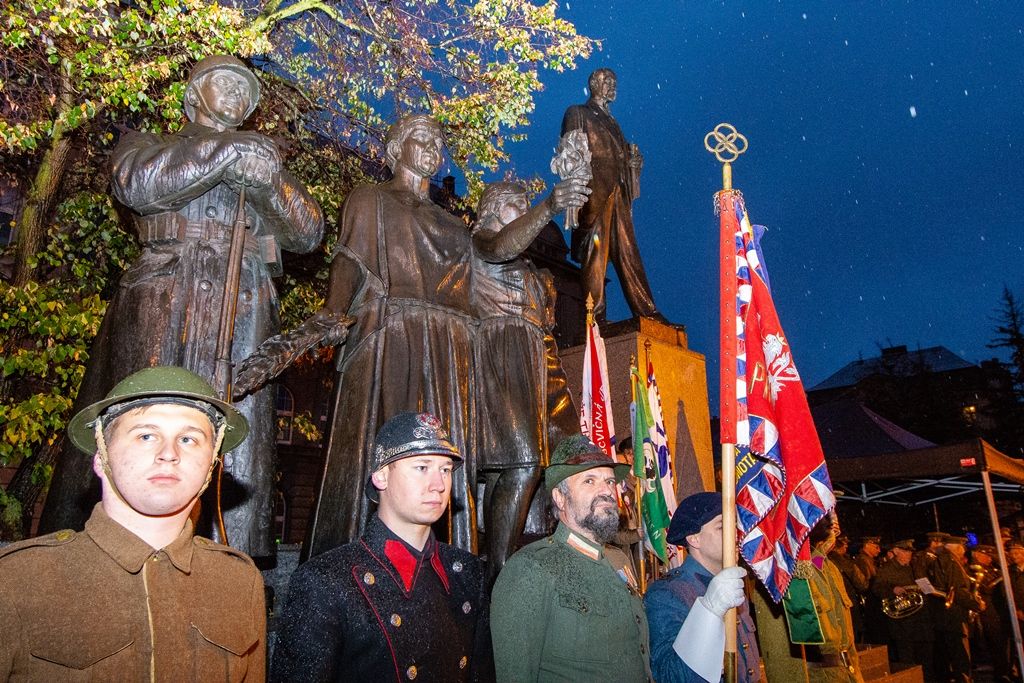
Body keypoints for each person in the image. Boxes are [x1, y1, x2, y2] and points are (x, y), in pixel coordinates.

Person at [40, 54, 325, 557]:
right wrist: (227, 153)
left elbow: (308, 231)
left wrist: (265, 180)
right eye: (224, 84)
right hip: (165, 292)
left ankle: (227, 554)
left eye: (246, 91)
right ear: (195, 95)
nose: (236, 95)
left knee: (236, 426)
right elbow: (135, 183)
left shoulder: (263, 160)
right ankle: (109, 543)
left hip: (244, 300)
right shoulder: (151, 143)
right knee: (144, 416)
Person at [0, 366, 266, 680]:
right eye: (146, 435)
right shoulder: (17, 581)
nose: (169, 454)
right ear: (101, 458)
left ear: (212, 463)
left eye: (189, 439)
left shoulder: (237, 581)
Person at [271, 412, 493, 682]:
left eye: (445, 470)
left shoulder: (467, 573)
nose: (438, 485)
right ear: (380, 477)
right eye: (422, 467)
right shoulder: (325, 582)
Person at [470, 179, 587, 578]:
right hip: (504, 351)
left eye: (526, 207)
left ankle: (551, 548)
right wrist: (550, 204)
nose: (525, 216)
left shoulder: (538, 273)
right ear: (492, 209)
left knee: (567, 458)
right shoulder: (483, 241)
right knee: (521, 461)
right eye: (515, 208)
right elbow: (502, 245)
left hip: (541, 358)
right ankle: (498, 569)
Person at [490, 434, 651, 682]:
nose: (606, 491)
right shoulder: (531, 569)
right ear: (560, 498)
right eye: (589, 480)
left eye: (609, 481)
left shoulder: (618, 560)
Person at [560, 68, 661, 322]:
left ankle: (647, 311)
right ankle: (594, 318)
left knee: (629, 253)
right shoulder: (578, 112)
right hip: (594, 194)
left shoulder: (614, 123)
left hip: (618, 195)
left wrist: (633, 164)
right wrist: (575, 192)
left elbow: (622, 160)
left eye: (614, 82)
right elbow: (569, 153)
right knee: (595, 254)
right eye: (607, 81)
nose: (612, 86)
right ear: (593, 84)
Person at [644, 492, 759, 683]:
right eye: (723, 526)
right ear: (694, 539)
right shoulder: (667, 594)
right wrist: (709, 611)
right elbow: (671, 676)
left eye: (735, 526)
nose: (735, 534)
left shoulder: (732, 585)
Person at [804, 515, 864, 682]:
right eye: (828, 515)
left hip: (846, 669)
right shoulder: (799, 569)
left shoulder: (830, 567)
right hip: (822, 674)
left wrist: (856, 671)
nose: (835, 523)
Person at [872, 539, 934, 680]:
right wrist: (892, 589)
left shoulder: (915, 567)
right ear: (896, 551)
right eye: (905, 551)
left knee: (926, 660)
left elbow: (926, 587)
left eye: (910, 552)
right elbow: (877, 588)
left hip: (921, 623)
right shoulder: (886, 569)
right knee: (908, 660)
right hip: (903, 624)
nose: (909, 554)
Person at [931, 535, 983, 683]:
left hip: (945, 617)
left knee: (952, 655)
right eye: (963, 547)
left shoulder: (940, 560)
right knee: (961, 657)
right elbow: (958, 591)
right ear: (958, 548)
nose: (964, 551)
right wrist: (976, 604)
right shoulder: (952, 562)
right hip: (955, 616)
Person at [971, 544, 1011, 681]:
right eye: (986, 555)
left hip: (997, 612)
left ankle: (1004, 670)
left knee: (1001, 644)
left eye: (990, 556)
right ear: (977, 555)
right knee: (993, 644)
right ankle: (999, 673)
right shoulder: (972, 569)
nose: (989, 558)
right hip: (985, 613)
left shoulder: (993, 569)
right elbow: (985, 588)